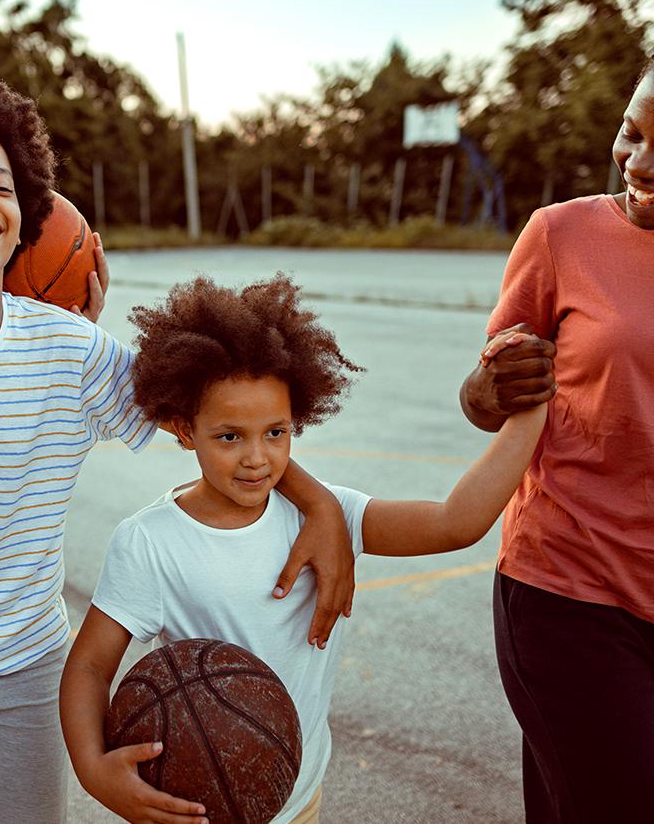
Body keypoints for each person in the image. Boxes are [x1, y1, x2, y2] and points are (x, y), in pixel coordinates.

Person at [0, 71, 359, 824]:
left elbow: (204, 422)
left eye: (1, 186)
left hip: (24, 665)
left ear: (22, 222)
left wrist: (315, 504)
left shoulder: (70, 351)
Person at [61, 275, 548, 824]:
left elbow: (454, 524)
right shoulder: (150, 541)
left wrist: (536, 403)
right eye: (229, 436)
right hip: (197, 802)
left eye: (277, 432)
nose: (256, 458)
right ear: (182, 428)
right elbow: (89, 668)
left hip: (298, 798)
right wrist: (94, 770)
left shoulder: (327, 515)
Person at [460, 59, 654, 823]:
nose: (638, 163)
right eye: (632, 133)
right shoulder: (562, 235)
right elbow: (484, 397)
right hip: (569, 591)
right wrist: (486, 387)